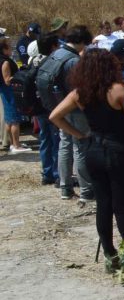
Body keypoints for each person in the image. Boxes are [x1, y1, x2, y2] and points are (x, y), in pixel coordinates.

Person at [50, 49, 124, 270]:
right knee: (122, 206)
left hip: (93, 148)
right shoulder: (118, 90)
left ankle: (110, 254)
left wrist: (80, 135)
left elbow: (55, 116)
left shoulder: (80, 93)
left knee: (103, 204)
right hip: (118, 149)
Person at [36, 25, 94, 201]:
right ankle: (86, 191)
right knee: (80, 146)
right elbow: (78, 89)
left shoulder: (56, 54)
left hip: (57, 106)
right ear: (81, 42)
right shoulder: (73, 61)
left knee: (65, 145)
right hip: (74, 109)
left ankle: (65, 187)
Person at [32, 34, 62, 184]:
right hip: (51, 106)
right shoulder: (52, 62)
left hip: (38, 106)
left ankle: (47, 173)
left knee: (45, 140)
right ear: (53, 47)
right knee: (56, 139)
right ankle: (57, 174)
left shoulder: (34, 60)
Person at [0, 39, 31, 153]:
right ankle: (16, 145)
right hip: (10, 92)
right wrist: (21, 75)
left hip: (5, 91)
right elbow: (7, 80)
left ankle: (13, 143)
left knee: (9, 119)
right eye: (9, 48)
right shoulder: (5, 62)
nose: (11, 50)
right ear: (4, 49)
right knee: (14, 119)